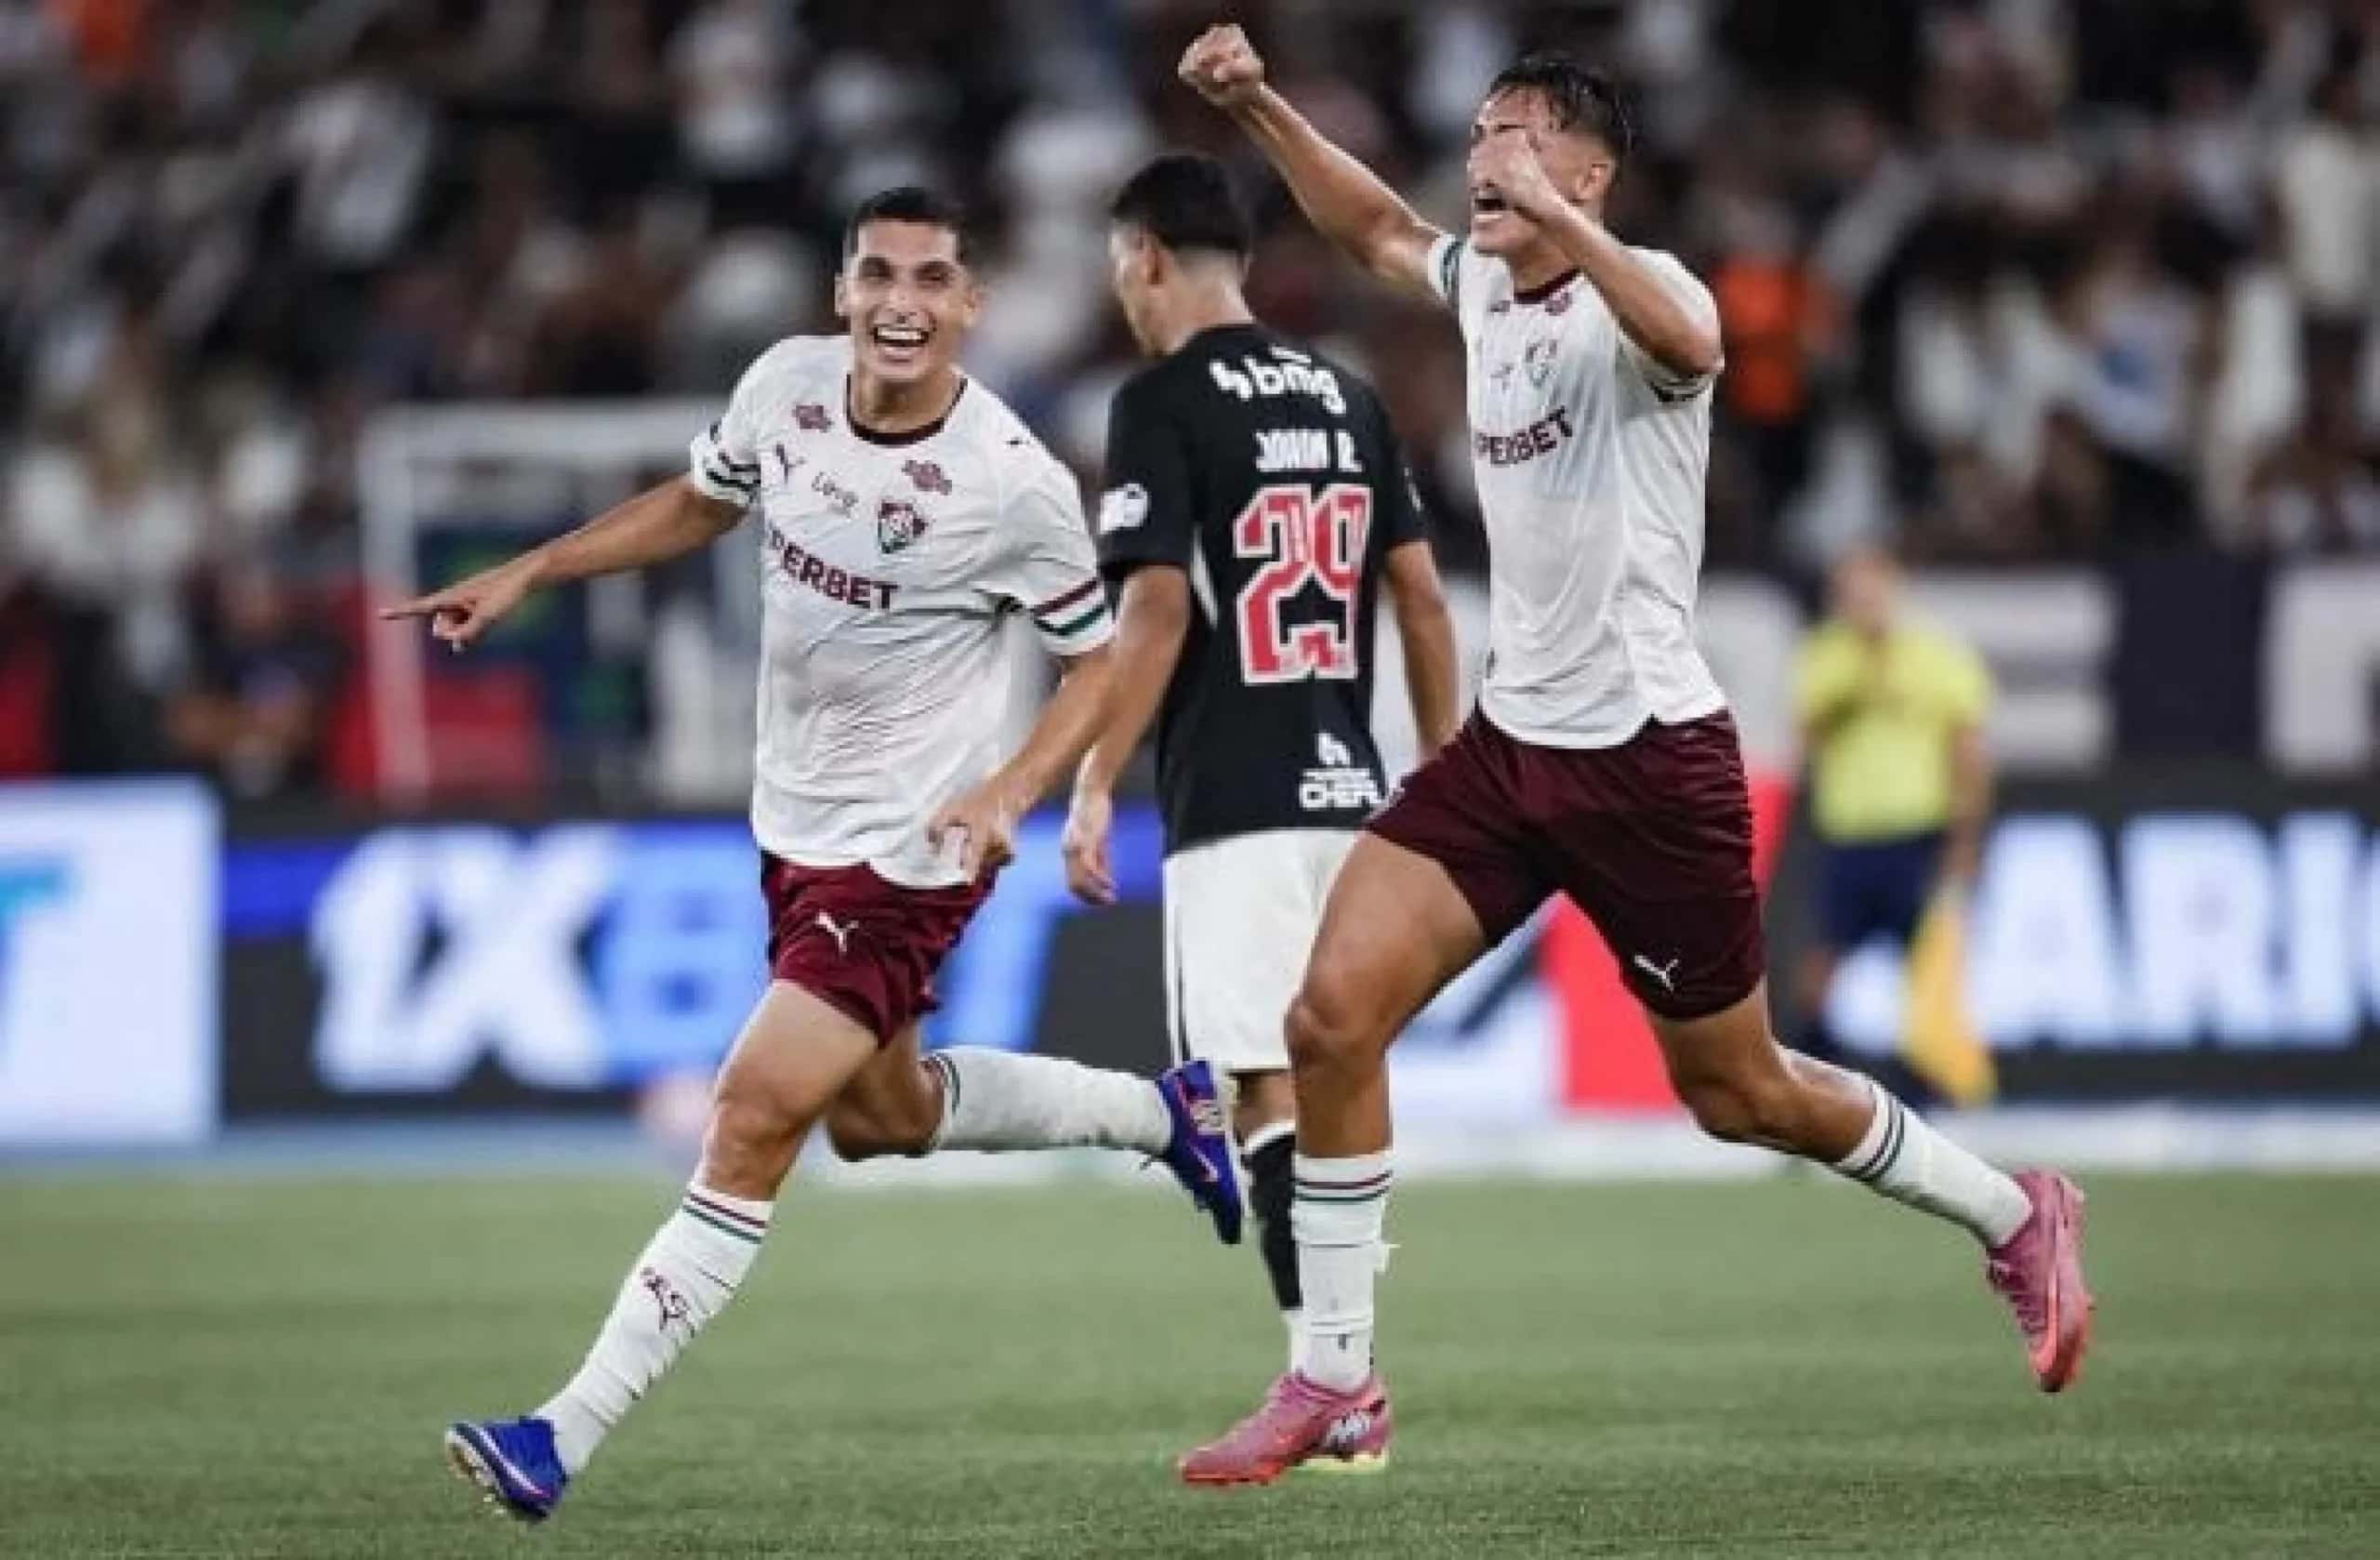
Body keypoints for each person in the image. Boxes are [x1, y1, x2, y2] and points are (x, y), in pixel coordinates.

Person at [1174, 29, 2095, 1485]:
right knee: (1330, 1018)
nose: (1484, 156)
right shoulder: (1483, 284)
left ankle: (2015, 1211)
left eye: (1519, 135)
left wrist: (1563, 225)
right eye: (1478, 132)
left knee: (1741, 1092)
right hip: (1512, 744)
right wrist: (1259, 106)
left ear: (1590, 170)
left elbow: (1696, 339)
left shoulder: (1643, 298)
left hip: (1652, 761)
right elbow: (1368, 224)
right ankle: (1336, 1379)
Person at [399, 188, 1244, 1525]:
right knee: (884, 1115)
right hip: (791, 824)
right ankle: (1165, 1113)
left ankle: (557, 1432)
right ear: (843, 291)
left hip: (912, 850)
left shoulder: (1010, 480)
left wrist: (1015, 787)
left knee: (751, 1114)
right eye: (878, 275)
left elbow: (1107, 653)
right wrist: (533, 571)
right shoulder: (785, 388)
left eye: (932, 279)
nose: (902, 301)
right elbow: (698, 502)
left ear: (971, 303)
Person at [1058, 152, 1461, 1384]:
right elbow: (1426, 602)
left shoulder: (1161, 402)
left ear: (1143, 258)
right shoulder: (1348, 394)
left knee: (1261, 1088)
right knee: (1342, 1073)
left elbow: (1159, 617)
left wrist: (1090, 780)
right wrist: (1446, 781)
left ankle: (1330, 1378)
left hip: (1234, 794)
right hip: (1355, 788)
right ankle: (1346, 1363)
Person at [1794, 544, 1996, 1100]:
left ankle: (1931, 1099)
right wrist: (1864, 670)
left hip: (1917, 836)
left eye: (1871, 589)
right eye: (1851, 593)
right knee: (1819, 976)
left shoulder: (1936, 653)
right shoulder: (1827, 656)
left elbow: (1968, 751)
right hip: (1850, 839)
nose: (1863, 602)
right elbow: (1809, 731)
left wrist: (1965, 836)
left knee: (1929, 976)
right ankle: (1812, 1095)